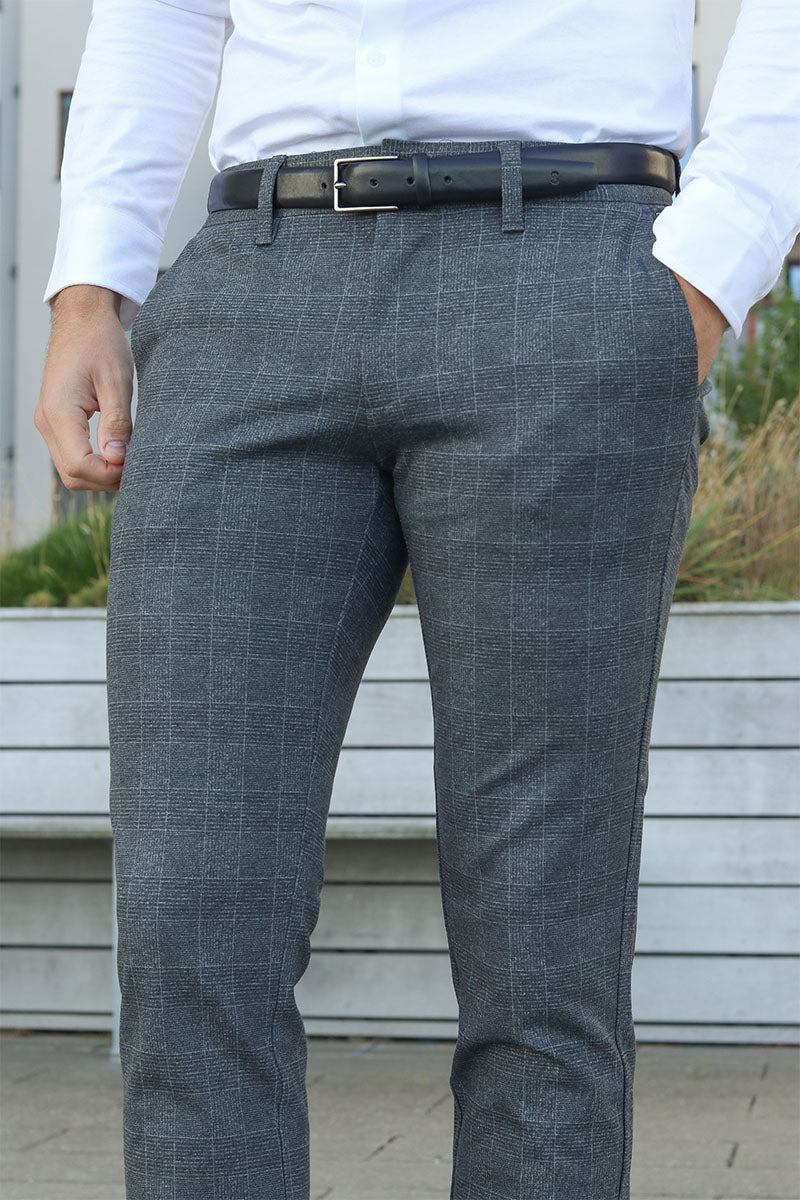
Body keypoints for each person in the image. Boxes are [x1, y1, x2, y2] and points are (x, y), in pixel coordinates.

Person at [36, 2, 799, 1197]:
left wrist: (716, 257)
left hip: (569, 258)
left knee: (539, 945)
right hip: (253, 276)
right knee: (191, 917)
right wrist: (91, 283)